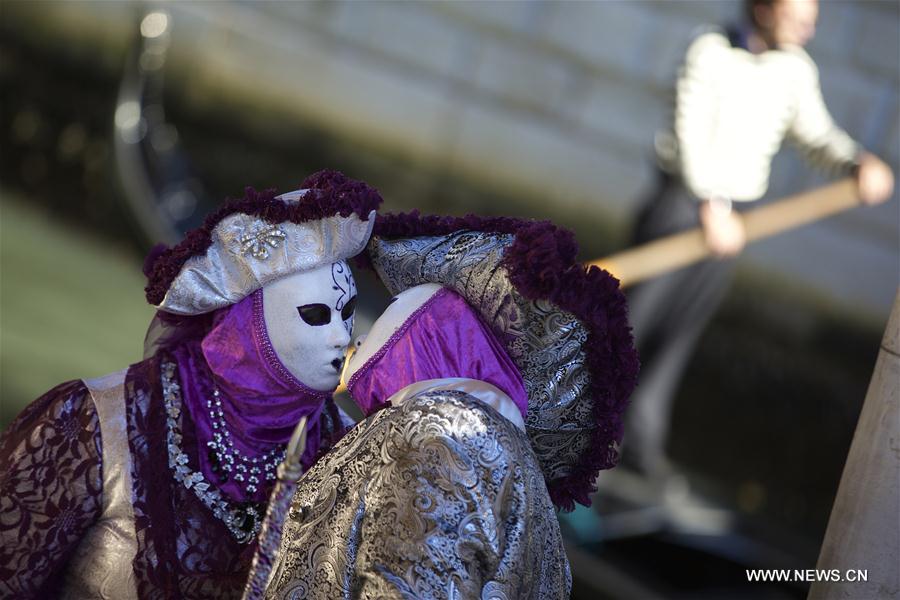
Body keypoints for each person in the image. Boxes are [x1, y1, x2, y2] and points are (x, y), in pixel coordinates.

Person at [0, 170, 381, 598]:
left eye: (347, 311)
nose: (340, 337)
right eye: (315, 315)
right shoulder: (93, 427)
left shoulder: (354, 452)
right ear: (244, 325)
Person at [255, 212, 639, 598]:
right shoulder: (514, 467)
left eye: (392, 310)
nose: (358, 338)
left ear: (436, 342)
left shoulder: (440, 435)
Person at [623, 0, 895, 480]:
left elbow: (816, 134)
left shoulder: (795, 70)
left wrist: (856, 163)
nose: (810, 27)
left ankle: (639, 449)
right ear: (765, 8)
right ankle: (576, 439)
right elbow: (689, 133)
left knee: (681, 330)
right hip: (684, 205)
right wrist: (712, 204)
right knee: (627, 328)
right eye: (798, 15)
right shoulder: (709, 49)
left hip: (735, 220)